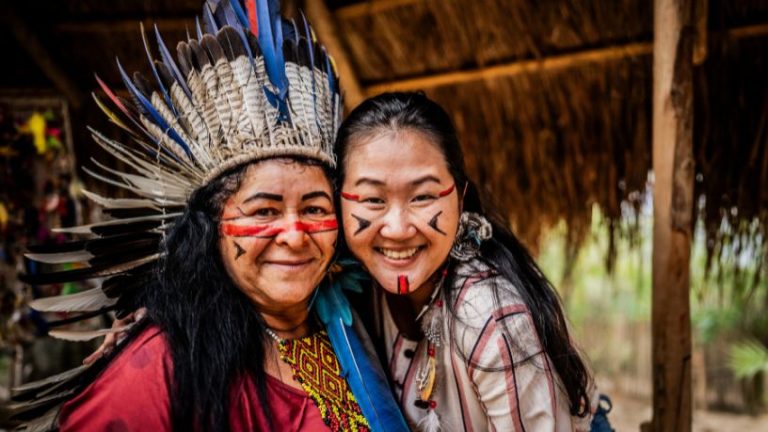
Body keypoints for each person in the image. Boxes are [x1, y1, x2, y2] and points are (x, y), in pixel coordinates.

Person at [10, 1, 408, 431]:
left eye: (314, 208)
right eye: (264, 210)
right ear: (211, 229)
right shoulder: (159, 364)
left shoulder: (363, 318)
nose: (294, 235)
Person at [334, 92, 604, 431]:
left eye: (422, 197)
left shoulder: (489, 315)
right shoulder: (353, 287)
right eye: (373, 199)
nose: (398, 228)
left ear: (460, 199)